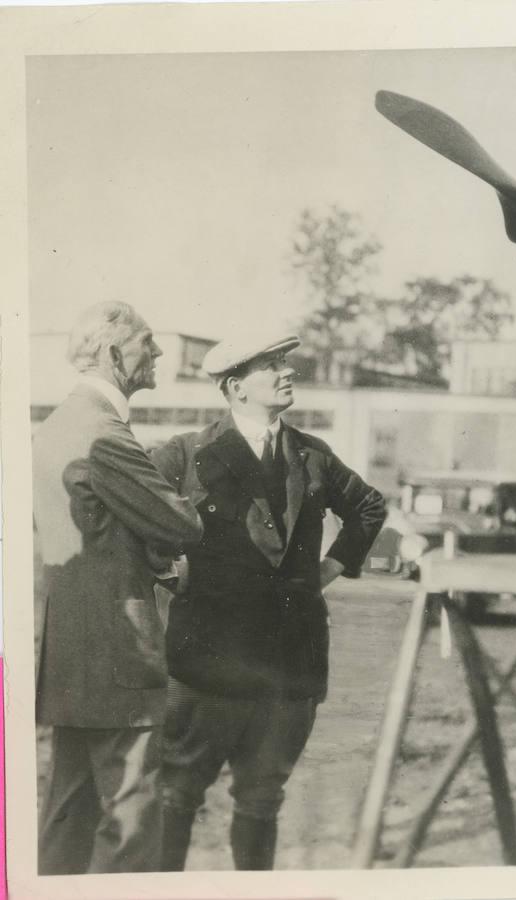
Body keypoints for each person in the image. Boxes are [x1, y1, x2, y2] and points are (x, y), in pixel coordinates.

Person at [152, 327, 386, 871]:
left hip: (289, 662)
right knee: (177, 794)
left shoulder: (312, 454)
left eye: (287, 364)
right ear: (236, 387)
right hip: (208, 660)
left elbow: (369, 506)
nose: (288, 373)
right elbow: (135, 510)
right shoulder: (187, 453)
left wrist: (329, 568)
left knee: (261, 799)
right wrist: (168, 572)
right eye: (271, 366)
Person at [33, 301, 203, 874]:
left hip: (70, 654)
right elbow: (182, 522)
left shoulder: (59, 423)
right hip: (119, 654)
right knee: (129, 823)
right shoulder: (105, 433)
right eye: (147, 343)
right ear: (112, 353)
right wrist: (164, 542)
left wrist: (148, 538)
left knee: (67, 815)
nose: (157, 354)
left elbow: (103, 528)